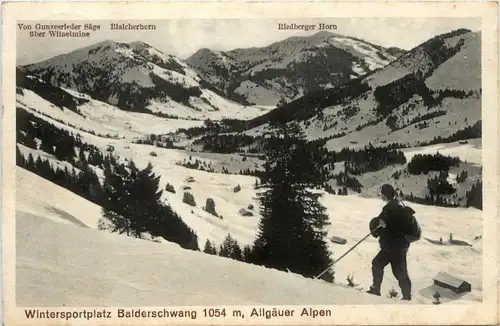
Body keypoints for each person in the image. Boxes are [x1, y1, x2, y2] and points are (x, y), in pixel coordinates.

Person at [367, 184, 414, 301]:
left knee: (377, 264)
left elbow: (387, 226)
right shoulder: (397, 206)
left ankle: (376, 289)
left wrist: (381, 227)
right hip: (400, 247)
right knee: (400, 272)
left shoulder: (389, 208)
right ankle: (407, 297)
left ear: (384, 194)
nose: (380, 196)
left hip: (391, 246)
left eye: (381, 193)